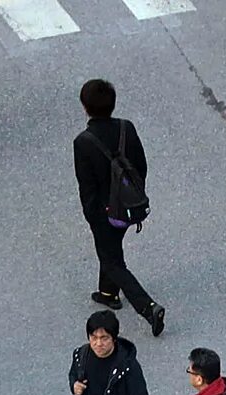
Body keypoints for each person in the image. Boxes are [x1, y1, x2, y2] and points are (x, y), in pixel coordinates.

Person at [71, 82, 166, 333]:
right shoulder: (126, 128)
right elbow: (141, 166)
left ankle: (148, 307)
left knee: (112, 260)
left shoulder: (83, 142)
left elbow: (87, 186)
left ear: (85, 108)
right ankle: (108, 293)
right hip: (130, 205)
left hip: (104, 212)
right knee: (111, 250)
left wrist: (93, 217)